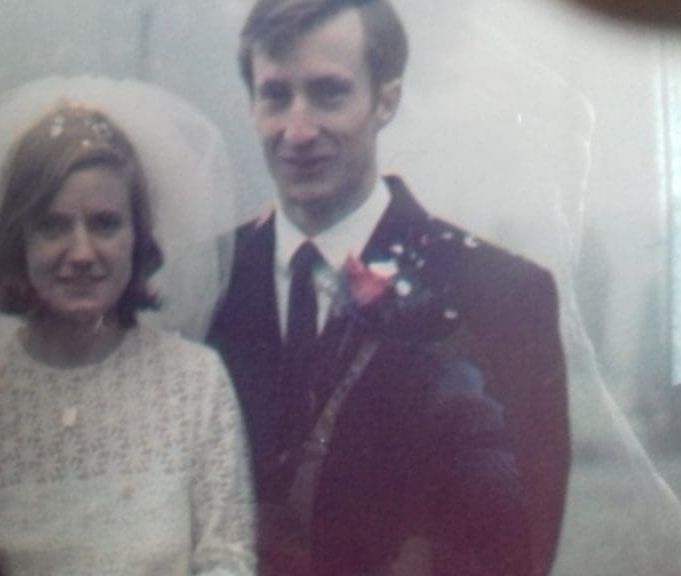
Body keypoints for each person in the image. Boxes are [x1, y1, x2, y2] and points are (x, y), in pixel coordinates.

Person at [207, 1, 569, 574]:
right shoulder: (205, 280)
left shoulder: (500, 293)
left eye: (329, 93)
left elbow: (516, 546)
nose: (298, 130)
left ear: (386, 99)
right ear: (251, 104)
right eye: (276, 95)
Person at [0, 80, 254, 575]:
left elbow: (228, 560)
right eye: (53, 226)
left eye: (106, 224)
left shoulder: (198, 383)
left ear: (138, 237)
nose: (83, 253)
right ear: (18, 241)